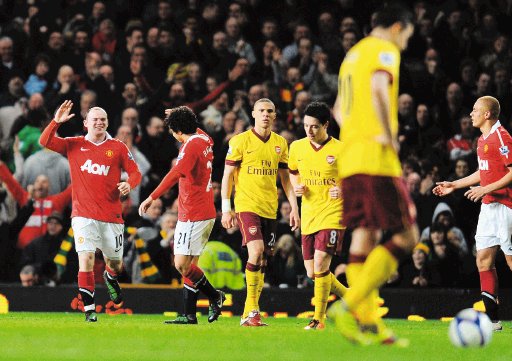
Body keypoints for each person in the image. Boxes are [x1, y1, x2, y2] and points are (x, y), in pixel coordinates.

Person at [328, 4, 418, 345]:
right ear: (397, 27)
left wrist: (356, 134)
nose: (406, 43)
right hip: (375, 159)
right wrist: (388, 137)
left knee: (364, 239)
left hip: (350, 159)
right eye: (407, 35)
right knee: (408, 235)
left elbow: (339, 108)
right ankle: (349, 305)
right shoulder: (384, 49)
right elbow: (381, 88)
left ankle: (371, 326)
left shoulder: (353, 55)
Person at [39, 100, 142, 322]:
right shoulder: (74, 144)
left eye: (103, 119)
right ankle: (89, 311)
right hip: (83, 215)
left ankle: (111, 277)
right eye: (94, 119)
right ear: (86, 123)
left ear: (107, 123)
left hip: (112, 216)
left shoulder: (118, 147)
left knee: (115, 263)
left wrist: (129, 184)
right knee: (84, 258)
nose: (99, 122)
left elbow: (136, 173)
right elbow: (45, 141)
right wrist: (56, 122)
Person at [139, 106, 225, 325]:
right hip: (204, 211)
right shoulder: (204, 138)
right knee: (191, 263)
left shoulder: (191, 147)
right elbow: (192, 123)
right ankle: (188, 313)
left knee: (181, 265)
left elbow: (175, 173)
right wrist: (179, 113)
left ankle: (215, 295)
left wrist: (152, 197)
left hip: (194, 213)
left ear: (177, 131)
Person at [433, 95, 512, 331]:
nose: (471, 114)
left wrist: (485, 189)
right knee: (483, 260)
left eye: (476, 110)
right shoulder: (481, 140)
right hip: (488, 207)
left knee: (510, 261)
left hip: (507, 208)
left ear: (487, 114)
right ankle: (492, 321)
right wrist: (454, 185)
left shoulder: (502, 137)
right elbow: (484, 171)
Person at [221, 98, 300, 326]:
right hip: (247, 205)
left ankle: (251, 312)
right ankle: (251, 308)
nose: (266, 114)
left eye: (270, 111)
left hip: (270, 209)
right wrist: (227, 209)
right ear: (253, 114)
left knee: (264, 258)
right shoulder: (240, 141)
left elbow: (285, 179)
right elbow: (227, 176)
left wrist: (294, 207)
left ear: (275, 116)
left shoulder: (280, 144)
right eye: (261, 111)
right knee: (256, 251)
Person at [288, 101, 347, 330]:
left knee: (322, 262)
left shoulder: (341, 150)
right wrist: (298, 186)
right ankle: (351, 297)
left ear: (326, 125)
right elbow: (293, 173)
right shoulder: (297, 148)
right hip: (309, 213)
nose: (309, 131)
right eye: (305, 126)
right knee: (313, 272)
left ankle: (318, 319)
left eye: (314, 126)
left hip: (334, 213)